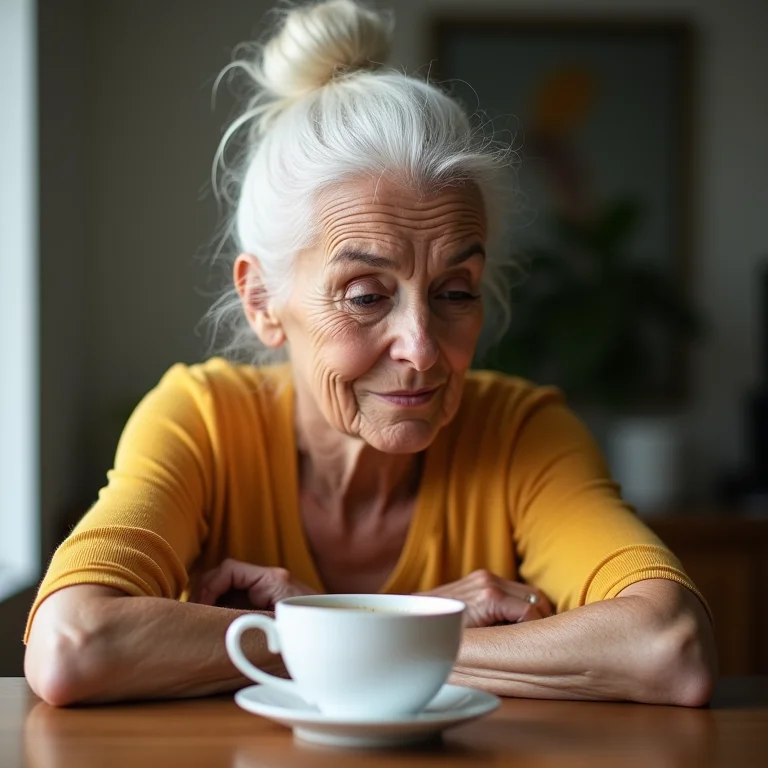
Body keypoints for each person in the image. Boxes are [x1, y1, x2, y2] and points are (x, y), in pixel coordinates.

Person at [24, 0, 715, 707]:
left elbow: (669, 645)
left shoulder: (520, 435)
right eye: (365, 296)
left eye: (454, 292)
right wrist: (394, 629)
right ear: (261, 300)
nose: (421, 348)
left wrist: (320, 635)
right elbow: (75, 644)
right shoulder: (203, 422)